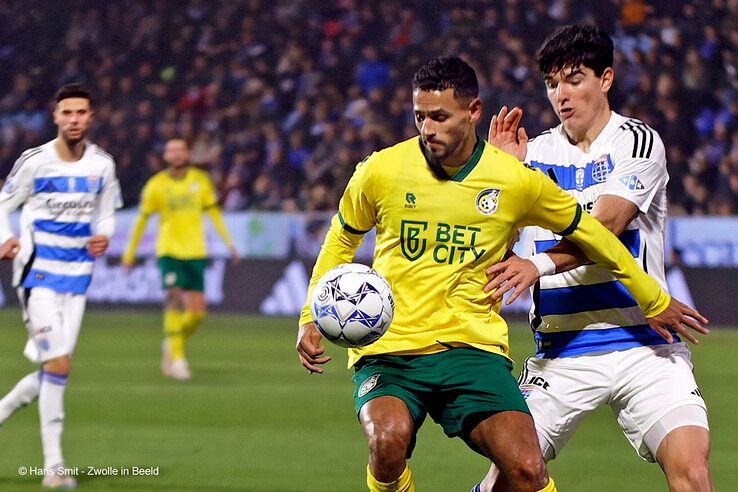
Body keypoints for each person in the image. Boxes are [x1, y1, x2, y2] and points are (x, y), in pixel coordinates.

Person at [296, 56, 706, 492]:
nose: (427, 129)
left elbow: (597, 235)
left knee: (527, 471)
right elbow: (340, 240)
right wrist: (309, 314)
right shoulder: (380, 170)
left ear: (473, 111)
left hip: (473, 347)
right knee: (388, 441)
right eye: (419, 116)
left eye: (439, 117)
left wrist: (653, 298)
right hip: (392, 348)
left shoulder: (513, 178)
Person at [474, 25, 713, 492]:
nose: (561, 94)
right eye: (551, 83)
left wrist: (537, 265)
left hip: (645, 343)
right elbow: (494, 252)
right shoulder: (532, 154)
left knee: (693, 472)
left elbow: (604, 227)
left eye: (574, 79)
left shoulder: (636, 142)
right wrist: (497, 178)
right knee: (508, 480)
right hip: (561, 354)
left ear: (605, 79)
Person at [0, 83, 121, 489]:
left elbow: (106, 215)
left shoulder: (102, 165)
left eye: (80, 112)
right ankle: (54, 467)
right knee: (59, 365)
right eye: (66, 112)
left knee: (51, 369)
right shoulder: (35, 162)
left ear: (91, 117)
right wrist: (5, 239)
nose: (73, 119)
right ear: (55, 117)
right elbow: (4, 203)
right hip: (38, 275)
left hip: (78, 276)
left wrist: (103, 235)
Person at [122, 138, 238, 380]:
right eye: (170, 150)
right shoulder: (156, 185)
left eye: (180, 150)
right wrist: (129, 253)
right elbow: (142, 219)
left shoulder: (200, 181)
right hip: (169, 251)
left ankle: (172, 341)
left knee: (197, 314)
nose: (175, 154)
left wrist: (228, 243)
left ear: (187, 154)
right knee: (174, 300)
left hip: (195, 251)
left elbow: (214, 213)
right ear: (165, 156)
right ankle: (177, 359)